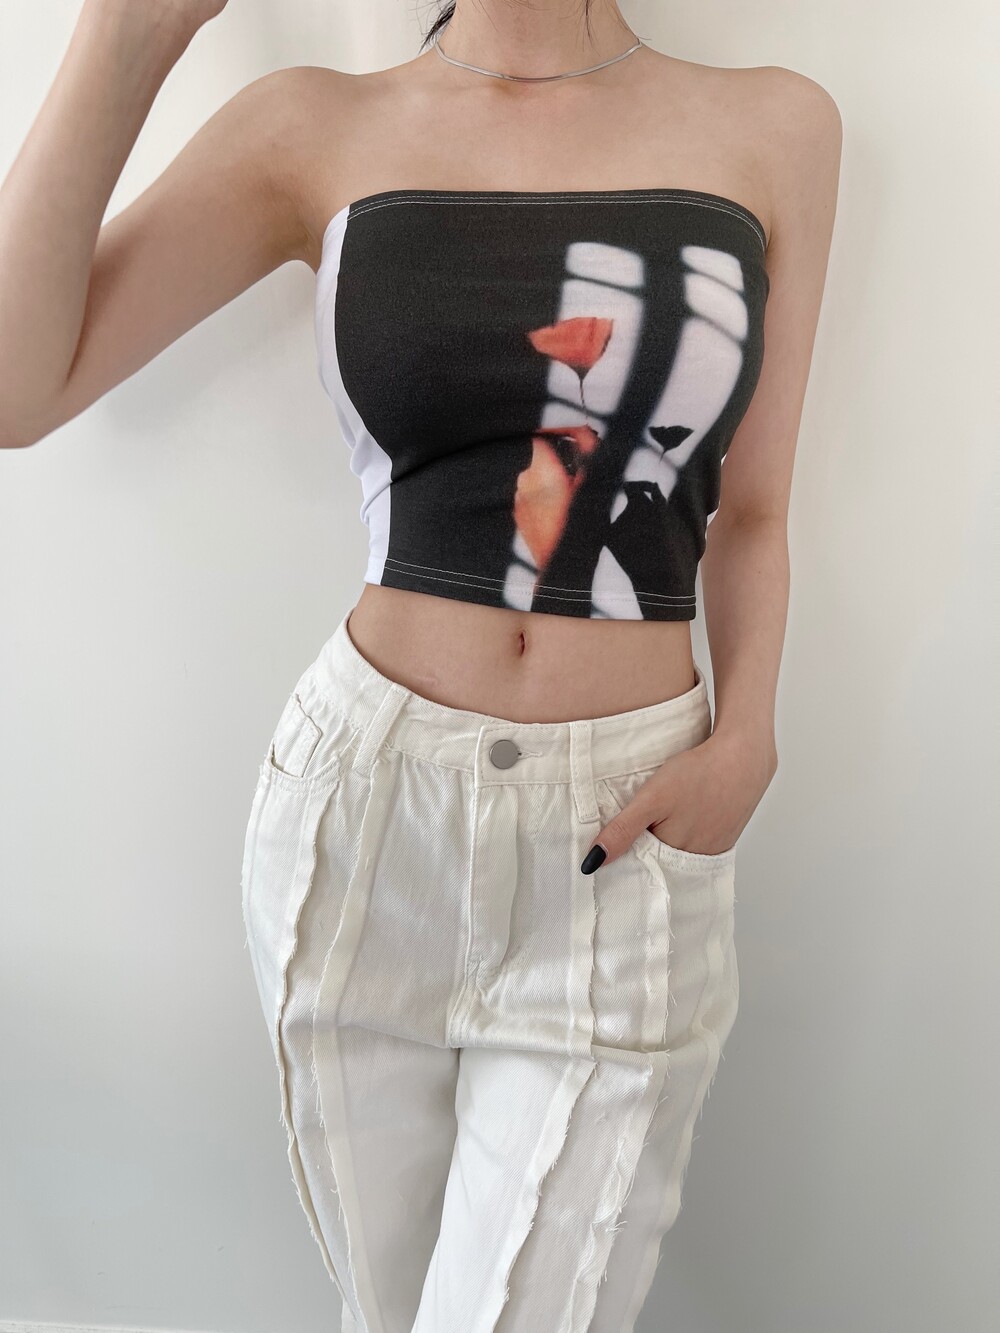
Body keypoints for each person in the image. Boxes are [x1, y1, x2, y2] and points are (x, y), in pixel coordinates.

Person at [0, 1, 842, 1328]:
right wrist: (127, 31)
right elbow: (16, 385)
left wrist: (748, 737)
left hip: (625, 837)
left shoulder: (775, 126)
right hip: (366, 819)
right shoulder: (314, 126)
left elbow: (758, 509)